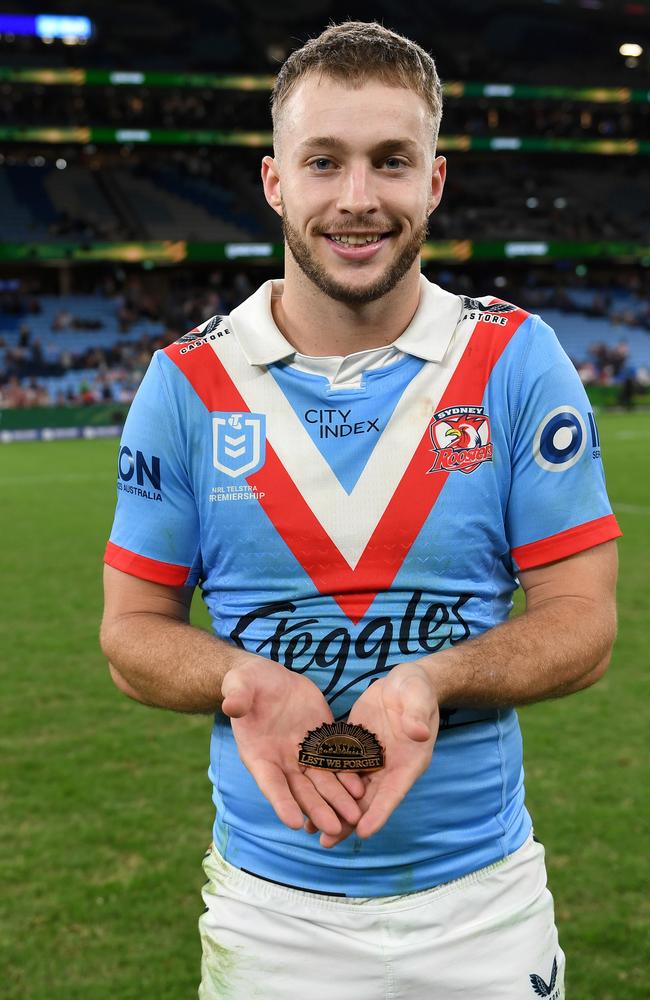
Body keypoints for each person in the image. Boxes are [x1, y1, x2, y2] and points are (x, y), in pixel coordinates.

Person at [100, 21, 620, 1000]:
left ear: (432, 182)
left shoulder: (516, 361)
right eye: (322, 162)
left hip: (482, 902)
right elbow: (129, 633)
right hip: (270, 913)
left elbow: (582, 624)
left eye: (389, 162)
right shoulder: (185, 383)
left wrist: (432, 681)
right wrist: (244, 679)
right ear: (273, 182)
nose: (354, 198)